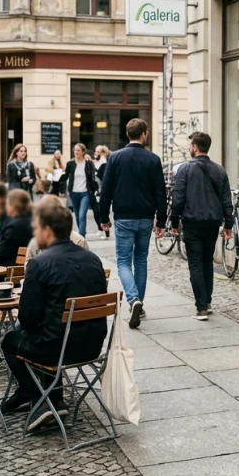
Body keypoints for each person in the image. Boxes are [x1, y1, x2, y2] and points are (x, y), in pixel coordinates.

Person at [0, 197, 109, 429]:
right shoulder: (93, 259)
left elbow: (27, 318)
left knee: (11, 340)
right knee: (49, 333)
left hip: (57, 349)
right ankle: (54, 399)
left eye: (37, 228)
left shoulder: (40, 263)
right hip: (92, 346)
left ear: (47, 230)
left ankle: (41, 399)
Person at [99, 119, 166, 329]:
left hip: (123, 216)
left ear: (128, 134)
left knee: (123, 261)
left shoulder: (115, 158)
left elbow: (106, 190)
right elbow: (160, 192)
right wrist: (161, 220)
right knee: (141, 260)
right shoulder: (153, 159)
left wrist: (103, 217)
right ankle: (139, 303)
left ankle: (133, 299)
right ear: (144, 134)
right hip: (145, 217)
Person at [169, 132, 233, 320]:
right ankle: (207, 301)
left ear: (195, 147)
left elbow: (178, 198)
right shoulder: (219, 170)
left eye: (190, 145)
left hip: (192, 222)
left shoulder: (185, 169)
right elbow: (226, 200)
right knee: (207, 262)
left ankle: (201, 308)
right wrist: (228, 224)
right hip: (212, 223)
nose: (189, 148)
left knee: (196, 264)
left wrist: (174, 221)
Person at [0, 189, 33, 267]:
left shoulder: (15, 225)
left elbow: (3, 251)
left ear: (13, 206)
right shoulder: (31, 219)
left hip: (10, 266)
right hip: (23, 262)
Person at [64, 143, 98, 237]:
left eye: (78, 150)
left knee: (82, 215)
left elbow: (92, 178)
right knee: (77, 216)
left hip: (85, 193)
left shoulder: (89, 164)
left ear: (83, 152)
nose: (76, 152)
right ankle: (82, 234)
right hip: (74, 193)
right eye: (75, 150)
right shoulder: (70, 163)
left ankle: (82, 236)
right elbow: (66, 176)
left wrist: (94, 189)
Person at [91, 145, 111, 239]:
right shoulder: (95, 163)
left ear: (103, 153)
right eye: (95, 152)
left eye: (98, 152)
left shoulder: (106, 164)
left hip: (103, 191)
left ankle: (105, 230)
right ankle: (101, 229)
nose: (96, 154)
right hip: (96, 190)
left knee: (102, 210)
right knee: (97, 211)